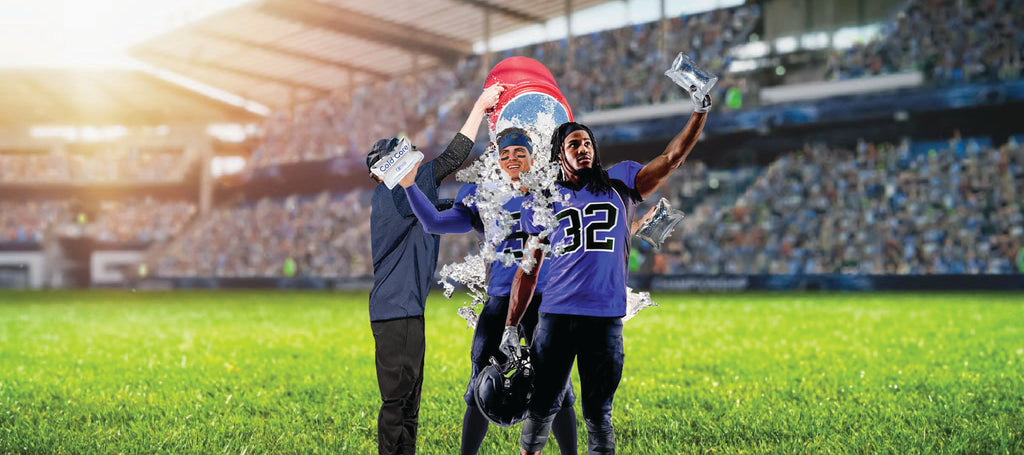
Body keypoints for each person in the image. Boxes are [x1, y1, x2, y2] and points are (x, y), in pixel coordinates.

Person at [501, 88, 711, 454]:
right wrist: (510, 326)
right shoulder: (546, 198)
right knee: (540, 409)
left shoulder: (622, 183)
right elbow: (528, 270)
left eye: (586, 143)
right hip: (557, 317)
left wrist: (699, 110)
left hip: (605, 318)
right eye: (573, 145)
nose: (582, 149)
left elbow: (672, 157)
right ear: (559, 155)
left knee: (599, 413)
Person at [397, 128, 578, 455]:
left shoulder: (553, 192)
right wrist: (409, 186)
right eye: (505, 154)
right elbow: (434, 223)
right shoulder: (481, 193)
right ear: (496, 159)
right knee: (480, 380)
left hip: (545, 300)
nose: (512, 159)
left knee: (558, 385)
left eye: (519, 153)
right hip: (498, 300)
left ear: (533, 158)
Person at [367, 84, 503, 455]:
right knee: (399, 402)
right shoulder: (394, 192)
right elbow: (452, 158)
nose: (410, 158)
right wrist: (479, 108)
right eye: (400, 156)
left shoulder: (402, 198)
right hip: (398, 310)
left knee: (408, 401)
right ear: (387, 169)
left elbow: (451, 207)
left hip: (401, 310)